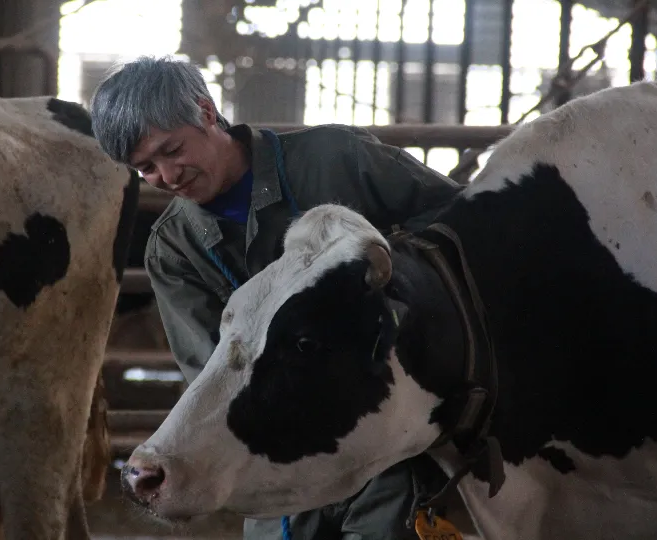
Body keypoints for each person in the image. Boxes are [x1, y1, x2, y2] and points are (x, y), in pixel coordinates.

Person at [91, 55, 461, 540]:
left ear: (205, 112)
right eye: (146, 169)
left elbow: (458, 220)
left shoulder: (334, 158)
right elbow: (210, 368)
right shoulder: (175, 249)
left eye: (172, 149)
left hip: (391, 438)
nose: (168, 175)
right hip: (280, 457)